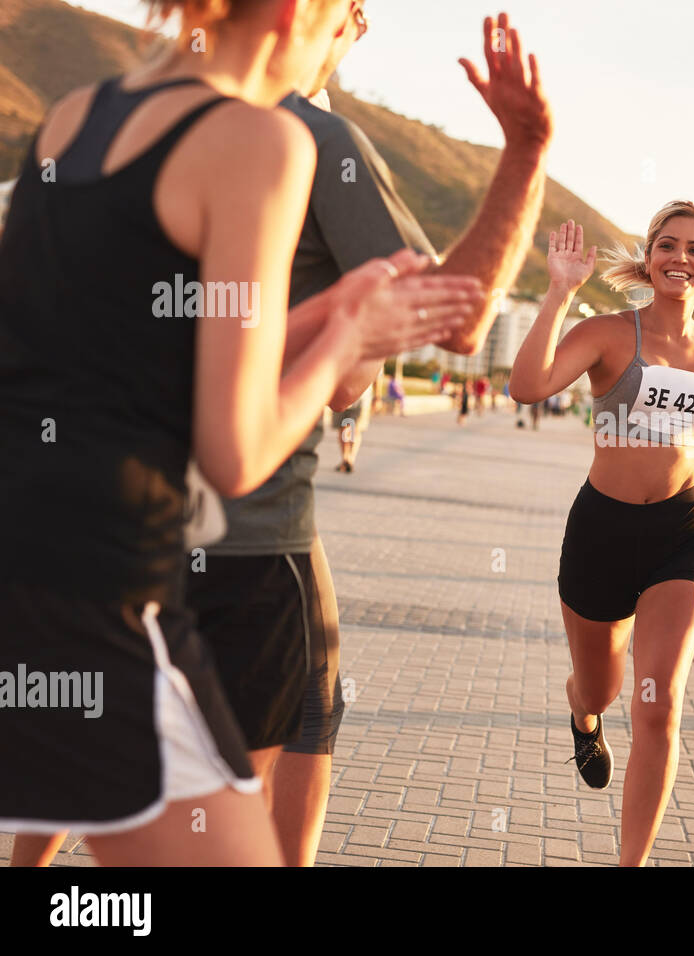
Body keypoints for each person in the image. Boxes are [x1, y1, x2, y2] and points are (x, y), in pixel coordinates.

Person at [0, 0, 480, 866]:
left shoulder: (77, 114)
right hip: (103, 586)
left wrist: (325, 311)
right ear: (301, 10)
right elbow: (236, 451)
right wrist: (347, 339)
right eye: (349, 15)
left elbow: (116, 360)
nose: (352, 34)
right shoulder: (264, 144)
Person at [509, 208, 694, 866]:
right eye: (667, 244)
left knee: (660, 703)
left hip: (681, 533)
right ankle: (583, 716)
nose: (680, 256)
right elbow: (526, 387)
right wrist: (560, 293)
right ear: (648, 256)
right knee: (604, 689)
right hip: (603, 531)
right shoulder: (610, 333)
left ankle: (630, 862)